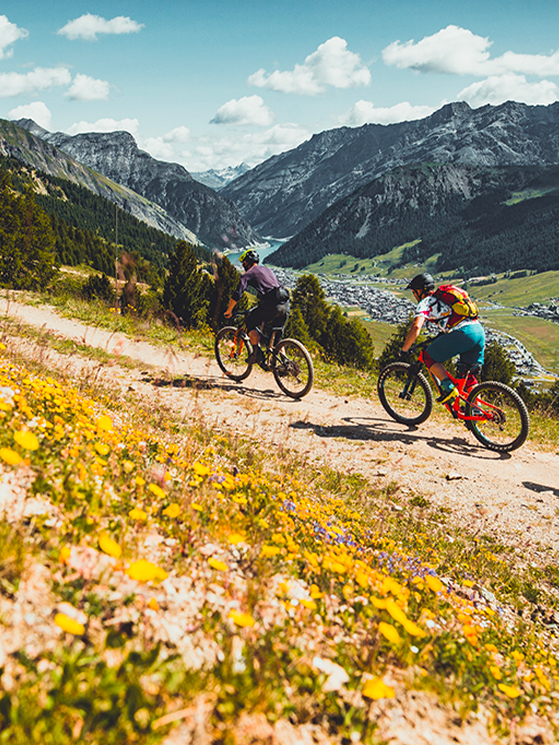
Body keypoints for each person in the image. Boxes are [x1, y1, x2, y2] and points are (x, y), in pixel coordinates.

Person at [400, 273, 485, 403]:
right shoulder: (443, 299)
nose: (414, 296)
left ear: (420, 290)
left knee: (428, 357)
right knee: (468, 376)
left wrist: (404, 349)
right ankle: (476, 410)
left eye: (414, 292)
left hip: (463, 333)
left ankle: (448, 388)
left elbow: (416, 327)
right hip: (478, 331)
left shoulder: (426, 302)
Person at [224, 249, 290, 368]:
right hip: (285, 304)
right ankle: (286, 365)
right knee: (277, 337)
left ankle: (257, 354)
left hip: (271, 305)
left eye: (243, 263)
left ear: (246, 263)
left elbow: (237, 293)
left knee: (250, 322)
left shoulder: (248, 274)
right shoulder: (267, 269)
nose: (243, 265)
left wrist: (229, 310)